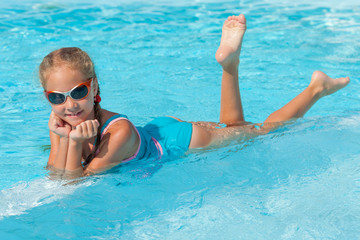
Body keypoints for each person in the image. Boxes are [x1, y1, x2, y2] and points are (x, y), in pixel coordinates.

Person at [39, 14, 349, 178]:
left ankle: (238, 67)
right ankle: (314, 87)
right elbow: (57, 175)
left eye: (78, 92)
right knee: (238, 126)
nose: (69, 105)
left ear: (93, 87)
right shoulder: (60, 122)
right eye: (57, 97)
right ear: (47, 97)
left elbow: (75, 184)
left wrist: (74, 142)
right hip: (156, 133)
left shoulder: (117, 132)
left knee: (261, 133)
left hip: (180, 140)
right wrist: (64, 138)